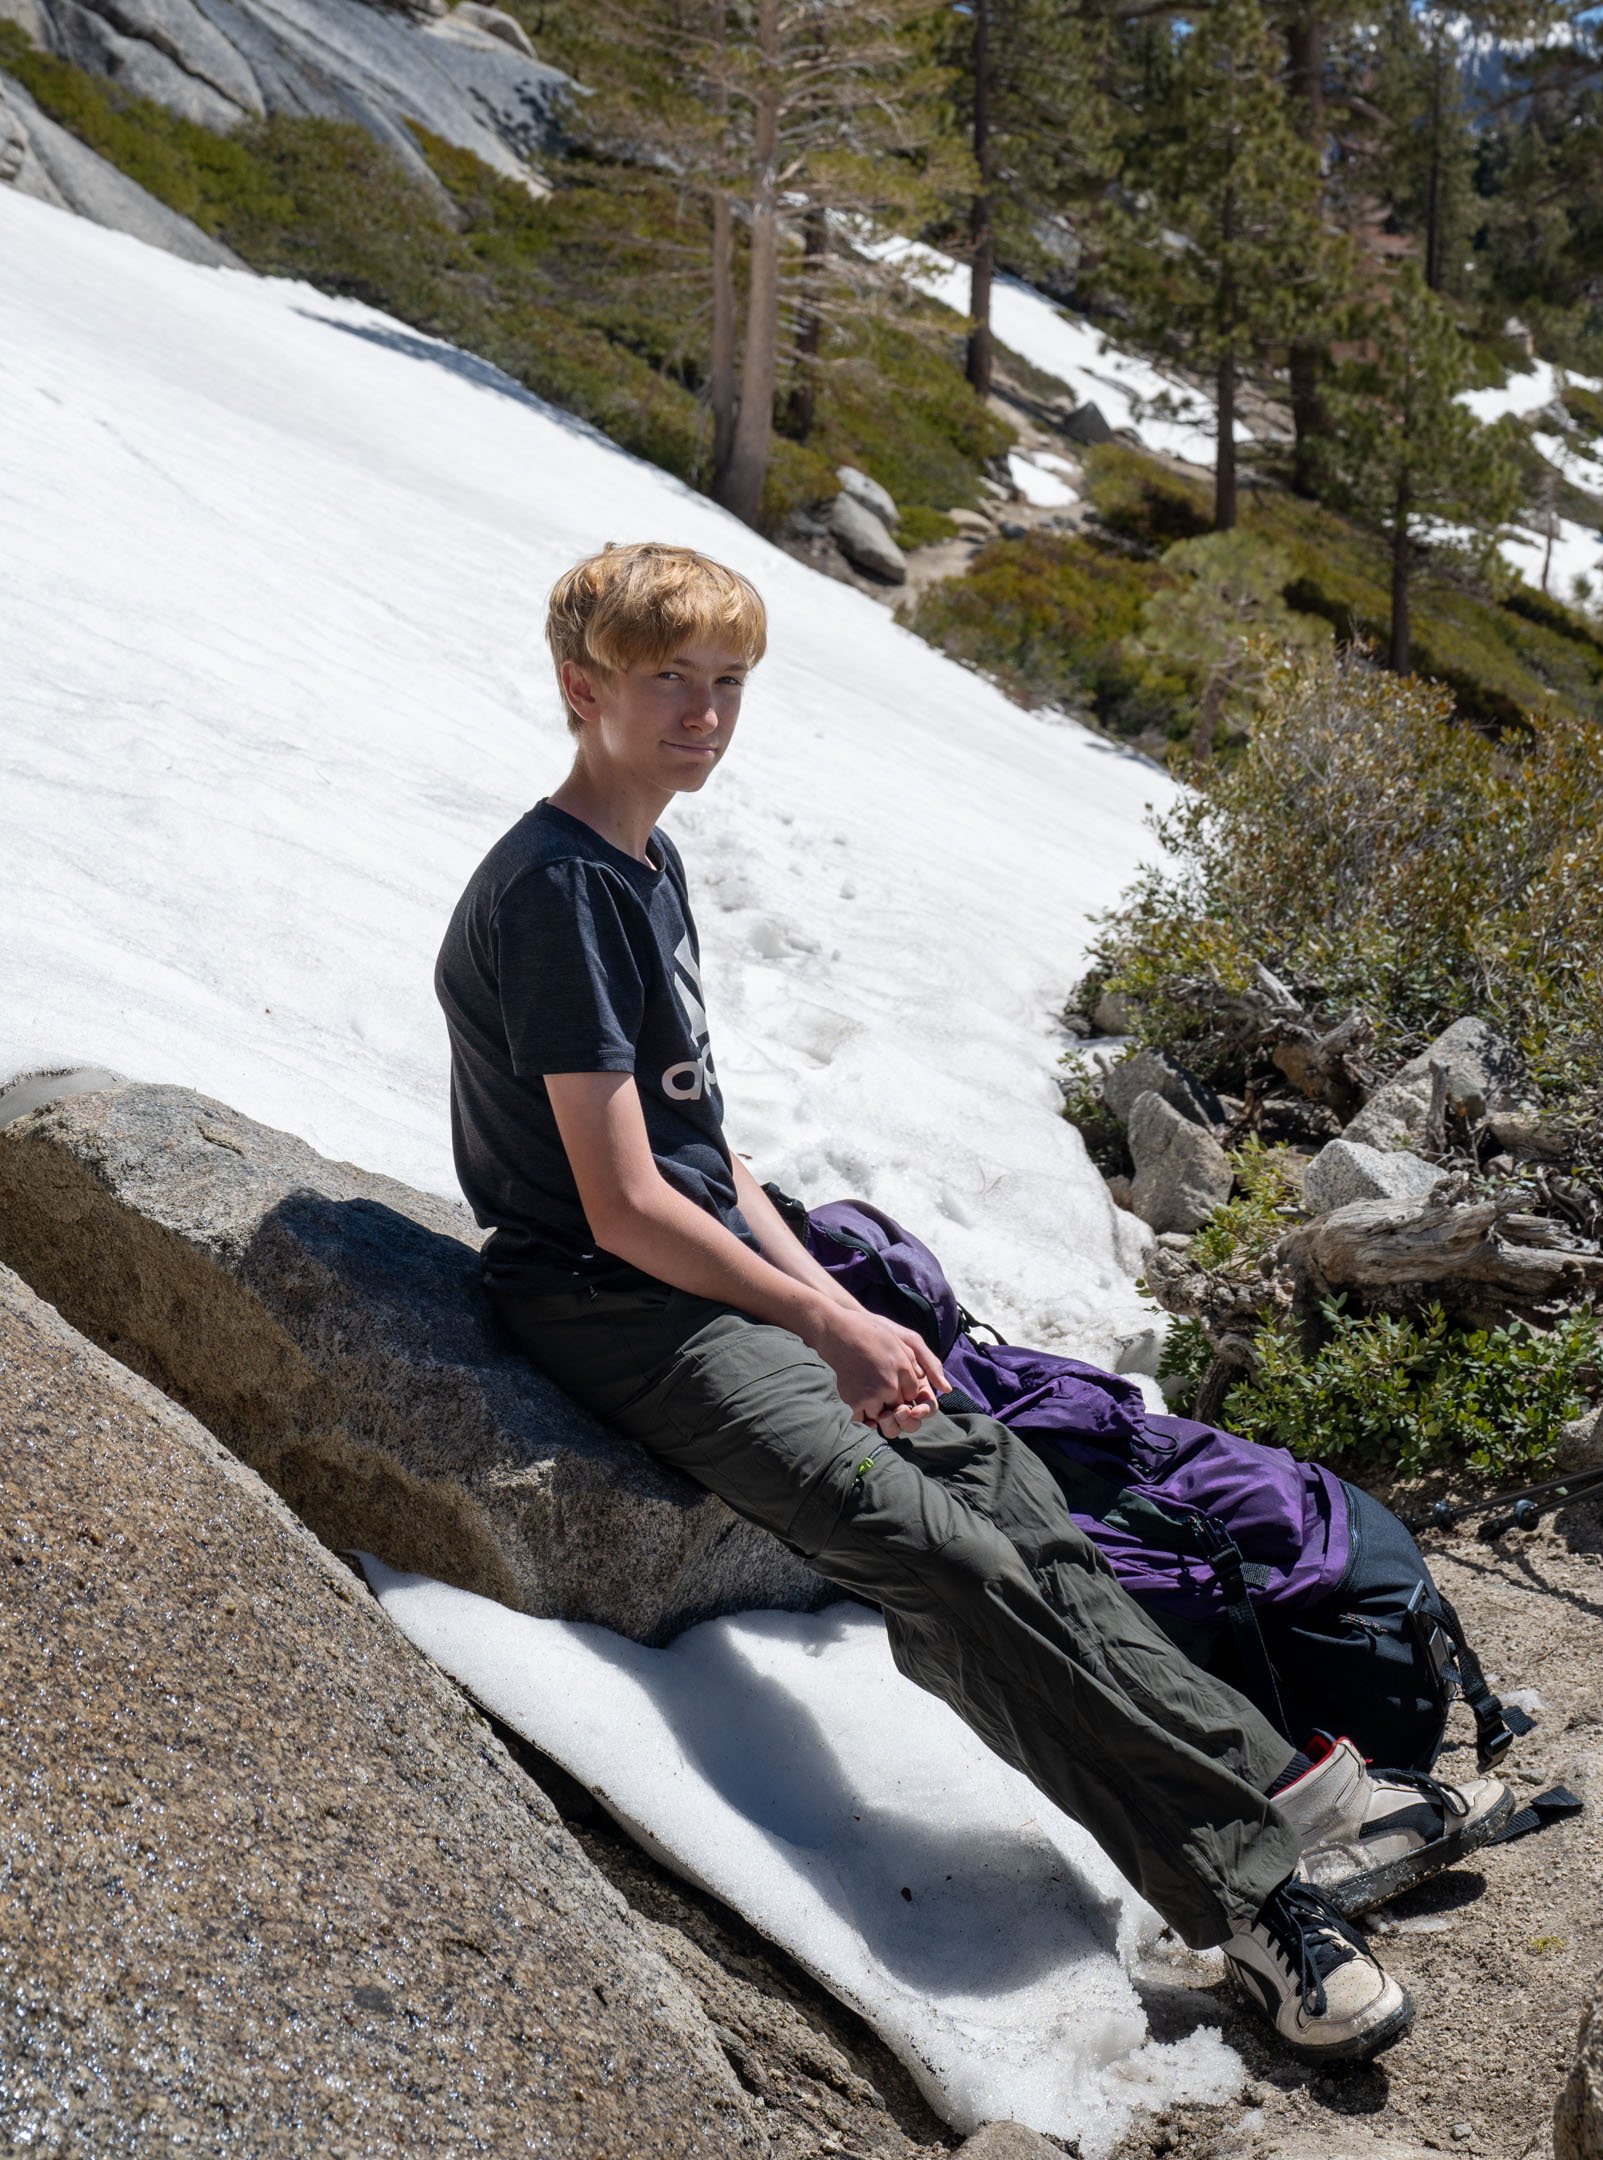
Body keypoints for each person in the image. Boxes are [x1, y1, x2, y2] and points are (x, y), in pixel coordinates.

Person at [435, 541, 1510, 2065]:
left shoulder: (644, 866)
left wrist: (846, 1311)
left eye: (727, 682)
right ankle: (1255, 1902)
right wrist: (821, 1325)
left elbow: (710, 1159)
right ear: (580, 689)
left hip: (706, 1274)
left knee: (999, 1481)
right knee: (936, 1551)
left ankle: (1285, 1787)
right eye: (667, 680)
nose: (704, 714)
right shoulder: (558, 891)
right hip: (615, 1302)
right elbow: (621, 1204)